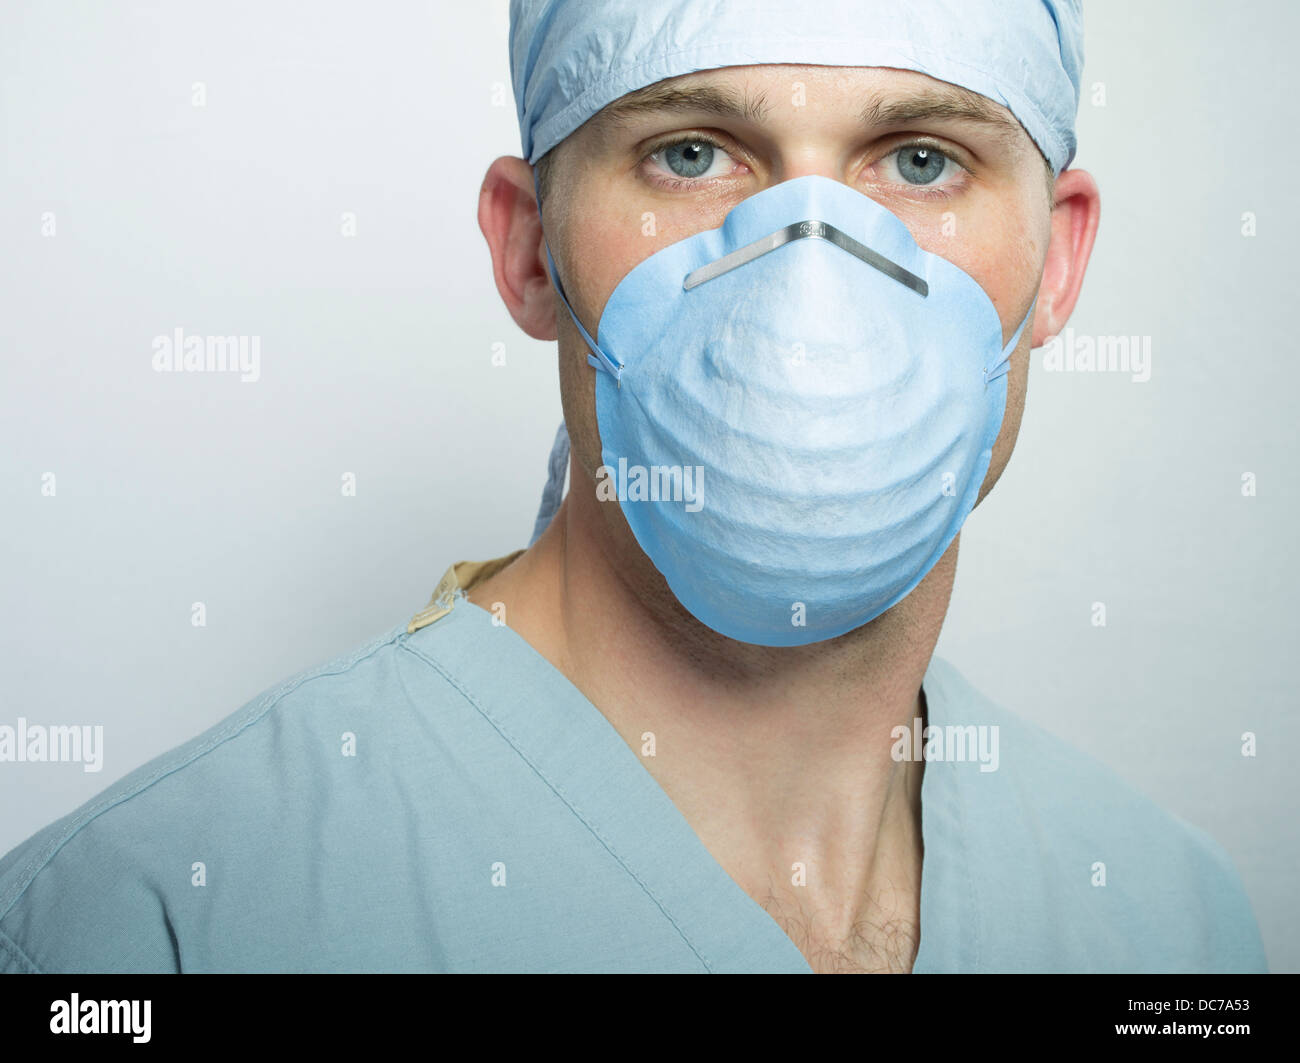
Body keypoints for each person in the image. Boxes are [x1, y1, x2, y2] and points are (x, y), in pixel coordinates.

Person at [0, 0, 1268, 974]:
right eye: (693, 153)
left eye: (921, 161)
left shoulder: (1167, 920)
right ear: (529, 249)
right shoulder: (153, 922)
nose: (808, 277)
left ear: (1058, 262)